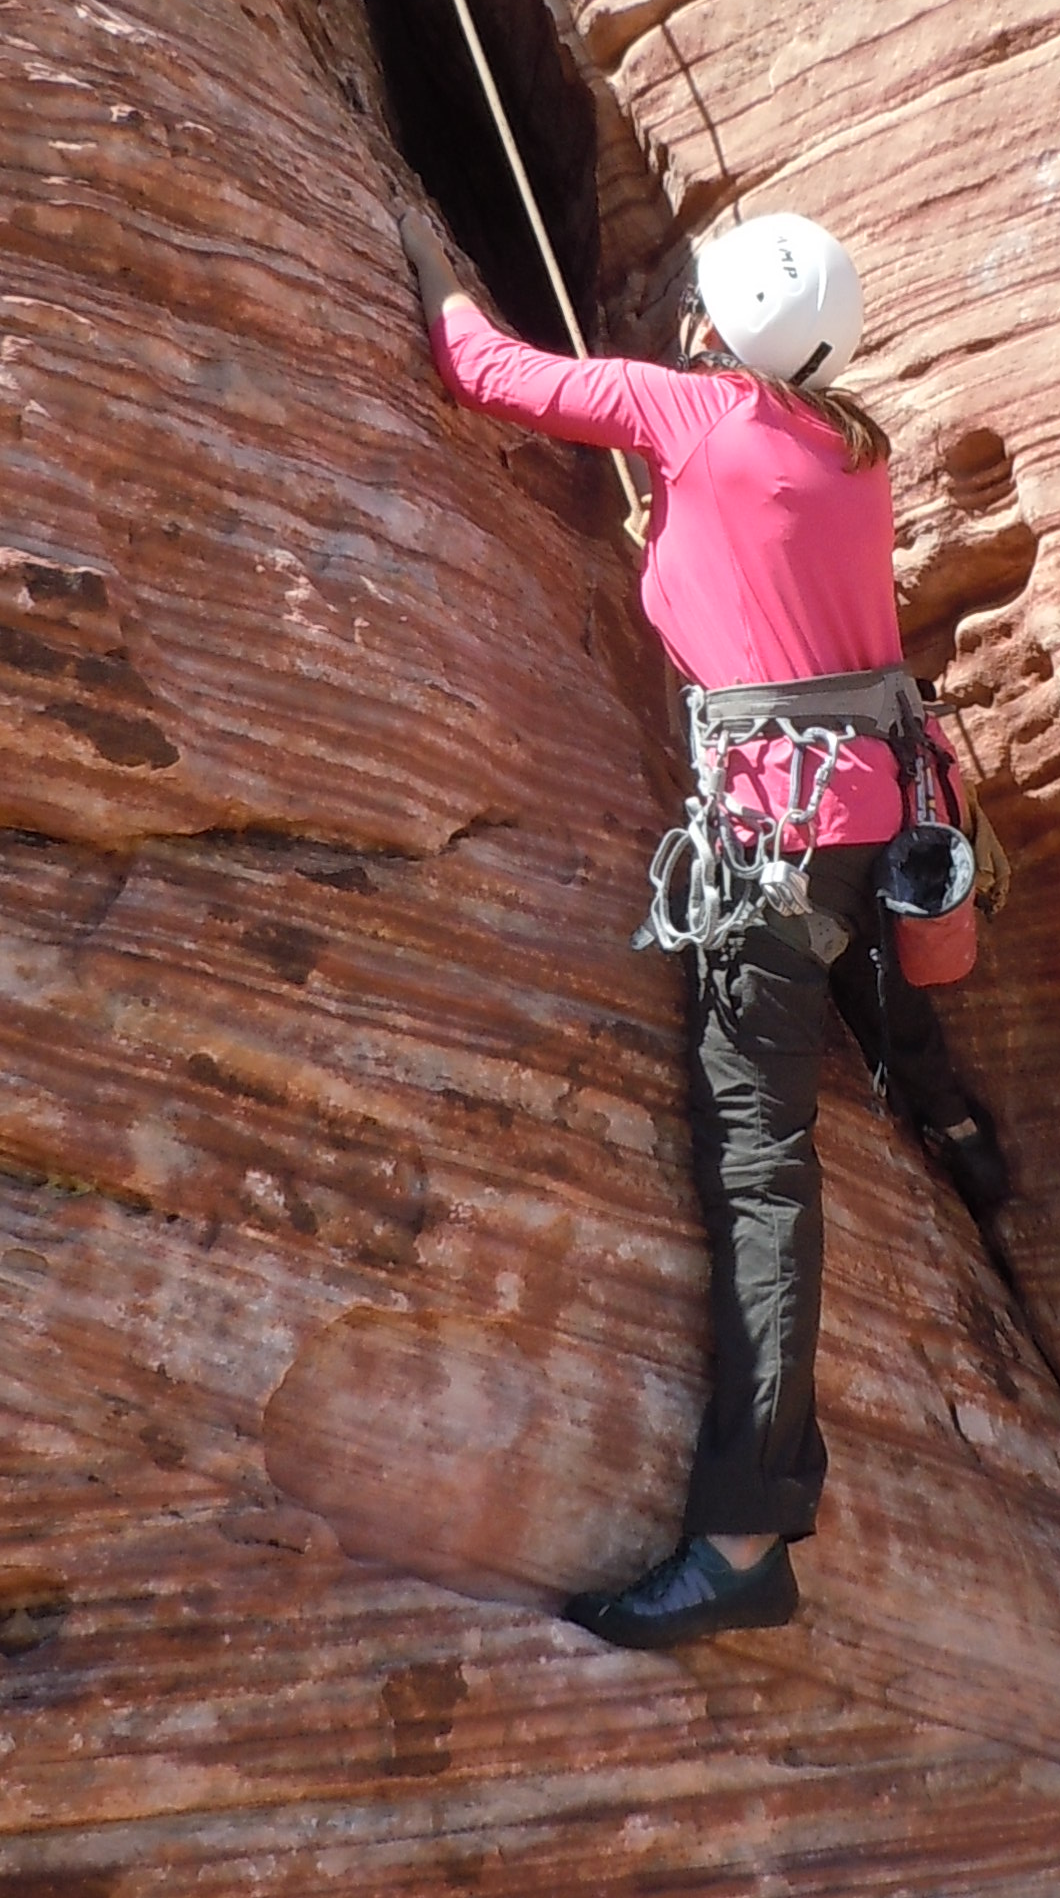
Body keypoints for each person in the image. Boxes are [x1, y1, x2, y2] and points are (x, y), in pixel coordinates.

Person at [396, 199, 1007, 1651]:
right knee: (865, 984)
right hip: (880, 813)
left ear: (711, 328)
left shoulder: (685, 414)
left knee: (759, 1166)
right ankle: (965, 1140)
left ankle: (742, 1538)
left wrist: (429, 261)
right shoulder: (857, 451)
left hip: (779, 834)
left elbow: (486, 372)